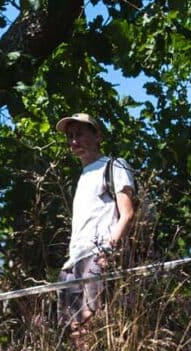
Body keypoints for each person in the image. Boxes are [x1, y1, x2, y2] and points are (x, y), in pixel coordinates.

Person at [55, 113, 139, 327]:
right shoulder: (83, 176)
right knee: (73, 328)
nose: (74, 141)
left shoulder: (114, 166)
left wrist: (107, 252)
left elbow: (127, 213)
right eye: (70, 136)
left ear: (97, 136)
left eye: (80, 134)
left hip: (98, 255)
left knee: (92, 321)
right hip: (74, 260)